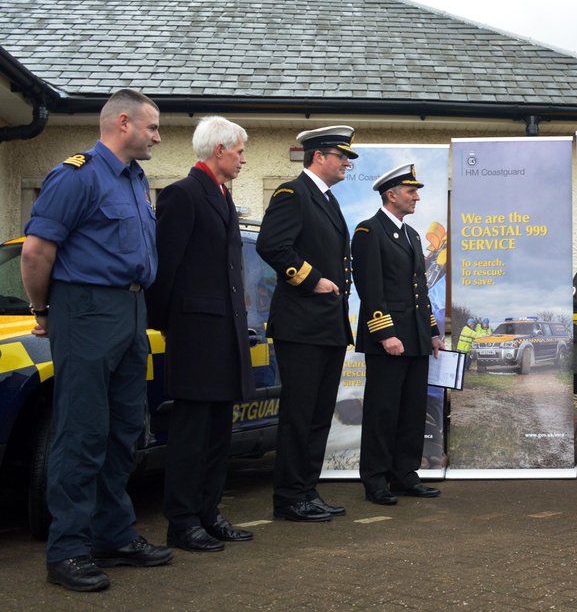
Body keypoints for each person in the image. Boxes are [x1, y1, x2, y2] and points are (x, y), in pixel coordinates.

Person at [21, 89, 173, 592]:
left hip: (131, 311)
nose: (157, 136)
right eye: (151, 128)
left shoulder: (136, 180)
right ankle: (67, 550)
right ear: (122, 123)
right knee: (82, 431)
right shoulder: (77, 174)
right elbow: (37, 252)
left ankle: (114, 535)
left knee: (125, 431)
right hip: (85, 308)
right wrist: (43, 311)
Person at [146, 116, 256, 552]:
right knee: (191, 435)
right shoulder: (183, 194)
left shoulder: (223, 196)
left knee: (217, 433)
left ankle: (209, 513)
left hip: (225, 334)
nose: (244, 159)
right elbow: (164, 270)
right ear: (219, 151)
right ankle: (183, 521)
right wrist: (171, 326)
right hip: (194, 335)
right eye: (240, 151)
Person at [257, 125, 356, 523]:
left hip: (327, 326)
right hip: (300, 326)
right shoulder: (292, 193)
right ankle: (289, 498)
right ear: (318, 156)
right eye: (341, 155)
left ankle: (306, 491)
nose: (347, 162)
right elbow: (272, 245)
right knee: (299, 415)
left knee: (318, 415)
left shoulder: (326, 200)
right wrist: (312, 279)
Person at [352, 163, 444, 505]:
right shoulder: (368, 232)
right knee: (382, 412)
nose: (417, 197)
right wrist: (384, 333)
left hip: (417, 339)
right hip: (389, 340)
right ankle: (375, 479)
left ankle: (405, 474)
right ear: (391, 195)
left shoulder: (412, 235)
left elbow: (419, 290)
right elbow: (370, 289)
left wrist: (433, 332)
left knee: (411, 410)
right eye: (411, 192)